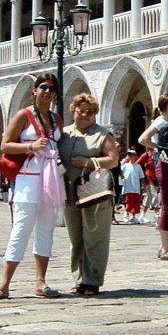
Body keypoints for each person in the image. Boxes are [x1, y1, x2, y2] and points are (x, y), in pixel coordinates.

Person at [0, 73, 65, 301]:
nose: (47, 91)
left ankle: (41, 281)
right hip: (28, 178)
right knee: (21, 229)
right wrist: (30, 146)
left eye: (52, 88)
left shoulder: (56, 119)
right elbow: (5, 145)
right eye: (43, 87)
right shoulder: (24, 115)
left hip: (51, 179)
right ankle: (4, 284)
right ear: (34, 90)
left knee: (46, 230)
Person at [59, 92, 119, 295]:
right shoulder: (64, 134)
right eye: (81, 111)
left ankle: (92, 279)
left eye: (90, 112)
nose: (85, 115)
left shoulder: (102, 134)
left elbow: (113, 160)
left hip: (94, 194)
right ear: (73, 111)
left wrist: (88, 162)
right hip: (69, 193)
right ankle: (79, 279)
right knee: (75, 238)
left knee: (95, 237)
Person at [138, 93, 168, 260]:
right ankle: (165, 247)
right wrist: (159, 147)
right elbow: (143, 139)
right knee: (167, 204)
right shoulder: (161, 121)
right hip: (164, 163)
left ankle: (167, 244)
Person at [120, 149, 145, 223]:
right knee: (128, 202)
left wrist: (143, 186)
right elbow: (120, 173)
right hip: (127, 187)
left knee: (135, 203)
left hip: (136, 188)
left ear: (135, 156)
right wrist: (122, 178)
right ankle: (126, 214)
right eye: (129, 155)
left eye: (132, 155)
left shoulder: (138, 166)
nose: (130, 157)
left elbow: (142, 177)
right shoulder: (125, 166)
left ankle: (133, 217)